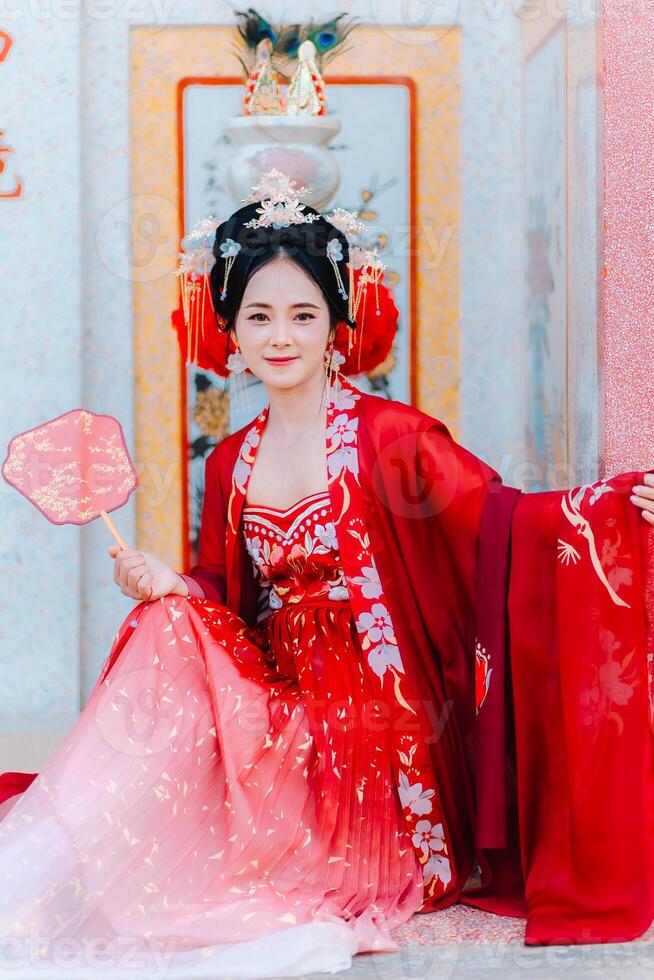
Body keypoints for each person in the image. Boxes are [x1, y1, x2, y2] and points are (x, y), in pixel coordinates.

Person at [0, 174, 652, 978]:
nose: (281, 336)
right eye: (259, 317)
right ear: (230, 335)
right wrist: (176, 586)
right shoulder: (233, 458)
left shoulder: (394, 438)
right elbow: (222, 584)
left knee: (297, 876)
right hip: (280, 688)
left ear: (338, 327)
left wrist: (610, 507)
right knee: (166, 623)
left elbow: (503, 524)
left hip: (381, 719)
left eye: (303, 315)